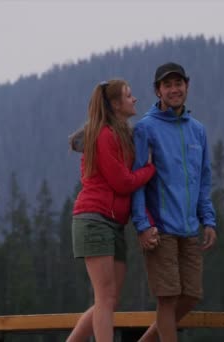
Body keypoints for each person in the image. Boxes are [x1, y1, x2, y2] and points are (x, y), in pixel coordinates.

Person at [131, 62, 218, 342]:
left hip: (190, 227)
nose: (174, 89)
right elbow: (136, 180)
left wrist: (209, 220)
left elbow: (203, 179)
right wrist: (142, 225)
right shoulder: (145, 128)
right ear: (158, 91)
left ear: (187, 86)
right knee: (167, 299)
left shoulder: (198, 131)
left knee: (191, 295)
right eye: (167, 85)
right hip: (160, 228)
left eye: (178, 83)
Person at [66, 79, 158, 342]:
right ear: (116, 104)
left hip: (113, 223)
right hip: (95, 220)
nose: (134, 99)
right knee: (105, 297)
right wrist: (150, 169)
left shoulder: (120, 134)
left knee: (109, 298)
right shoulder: (105, 135)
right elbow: (122, 182)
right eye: (129, 95)